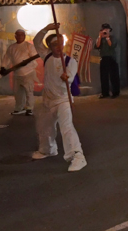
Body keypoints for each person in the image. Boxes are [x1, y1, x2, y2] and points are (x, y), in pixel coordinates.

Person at [31, 23, 87, 172]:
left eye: (60, 43)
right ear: (49, 46)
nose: (58, 47)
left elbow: (70, 75)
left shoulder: (70, 61)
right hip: (48, 100)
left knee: (67, 128)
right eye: (55, 44)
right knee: (44, 126)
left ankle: (77, 156)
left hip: (63, 100)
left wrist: (66, 77)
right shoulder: (46, 55)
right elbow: (37, 41)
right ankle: (48, 150)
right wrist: (46, 28)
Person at [2, 28, 39, 115]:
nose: (19, 37)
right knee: (17, 92)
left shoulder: (28, 46)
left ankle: (29, 108)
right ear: (15, 36)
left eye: (21, 35)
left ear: (24, 36)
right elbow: (6, 58)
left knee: (29, 91)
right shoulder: (12, 47)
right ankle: (19, 108)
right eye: (17, 35)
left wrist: (26, 63)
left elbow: (34, 57)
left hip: (28, 73)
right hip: (17, 73)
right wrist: (3, 67)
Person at [95, 23, 119, 99]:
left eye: (107, 29)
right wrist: (100, 36)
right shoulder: (100, 38)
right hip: (103, 58)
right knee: (104, 76)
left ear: (109, 30)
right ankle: (105, 93)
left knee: (113, 76)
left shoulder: (112, 37)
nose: (105, 31)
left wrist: (107, 37)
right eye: (104, 29)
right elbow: (97, 46)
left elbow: (112, 46)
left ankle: (115, 92)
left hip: (112, 58)